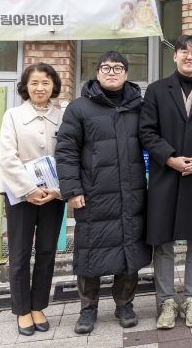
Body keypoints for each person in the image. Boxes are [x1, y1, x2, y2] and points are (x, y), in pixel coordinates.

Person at [56, 51, 151, 335]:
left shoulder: (139, 107)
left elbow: (154, 141)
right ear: (97, 73)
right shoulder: (79, 108)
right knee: (90, 251)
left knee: (129, 248)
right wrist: (72, 189)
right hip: (94, 193)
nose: (112, 72)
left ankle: (124, 304)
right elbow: (66, 150)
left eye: (118, 68)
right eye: (106, 68)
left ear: (126, 74)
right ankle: (88, 308)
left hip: (132, 192)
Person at [139, 34, 192, 330]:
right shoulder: (156, 90)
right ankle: (166, 301)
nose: (190, 56)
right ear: (174, 56)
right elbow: (147, 132)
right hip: (165, 176)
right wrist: (170, 158)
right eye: (184, 51)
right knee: (162, 241)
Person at [0, 63, 65, 336]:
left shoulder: (63, 117)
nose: (40, 88)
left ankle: (38, 306)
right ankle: (22, 310)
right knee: (20, 252)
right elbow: (6, 156)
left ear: (54, 86)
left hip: (54, 195)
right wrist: (29, 189)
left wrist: (57, 190)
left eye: (45, 82)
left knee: (47, 251)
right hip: (20, 194)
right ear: (25, 86)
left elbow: (70, 155)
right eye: (34, 82)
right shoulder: (13, 116)